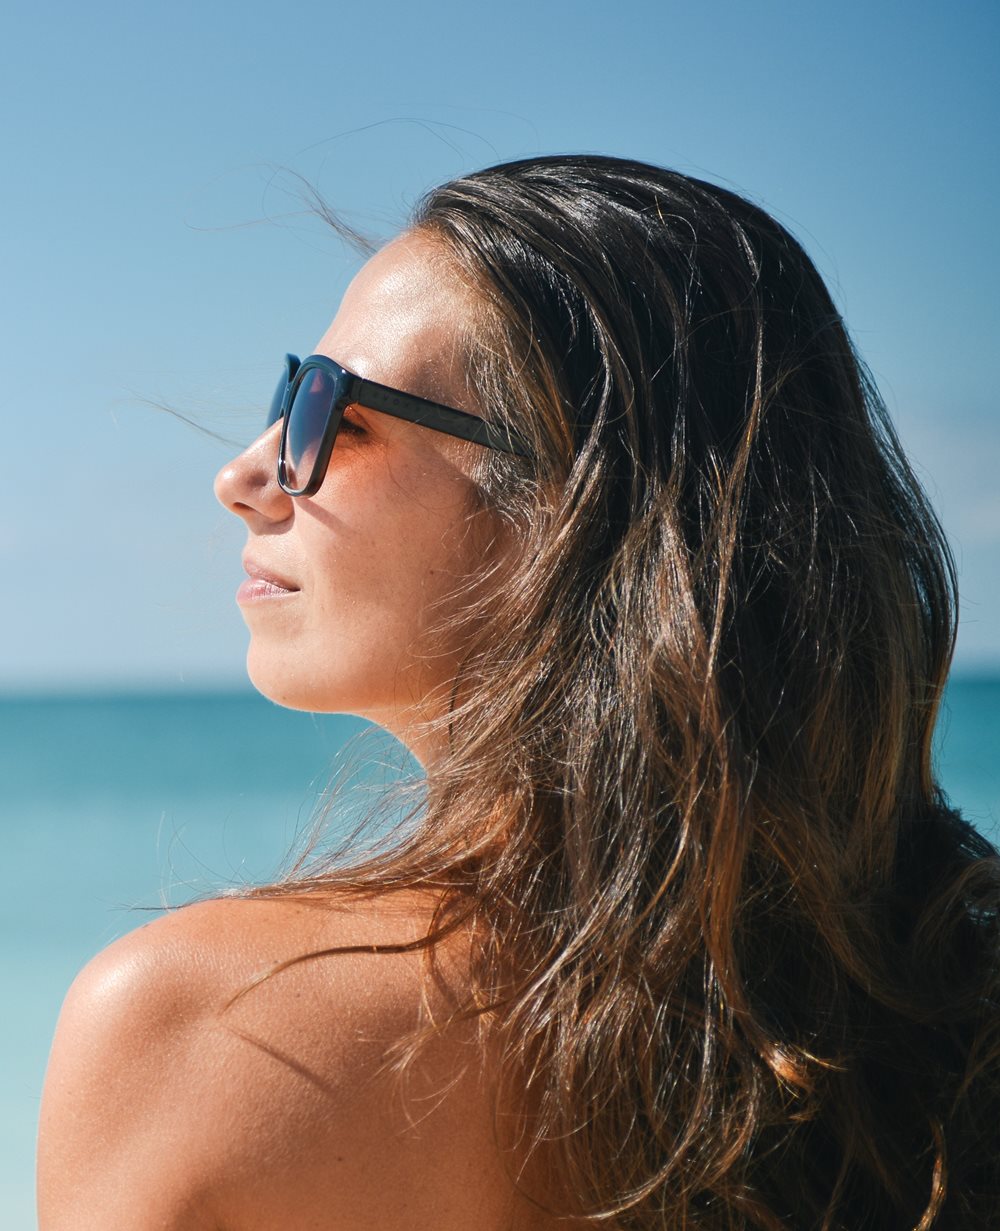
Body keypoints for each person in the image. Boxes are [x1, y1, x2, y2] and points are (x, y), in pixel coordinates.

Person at [38, 155, 1000, 1230]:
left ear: (573, 508)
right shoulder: (935, 1004)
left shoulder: (197, 1032)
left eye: (328, 409)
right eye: (288, 390)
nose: (246, 473)